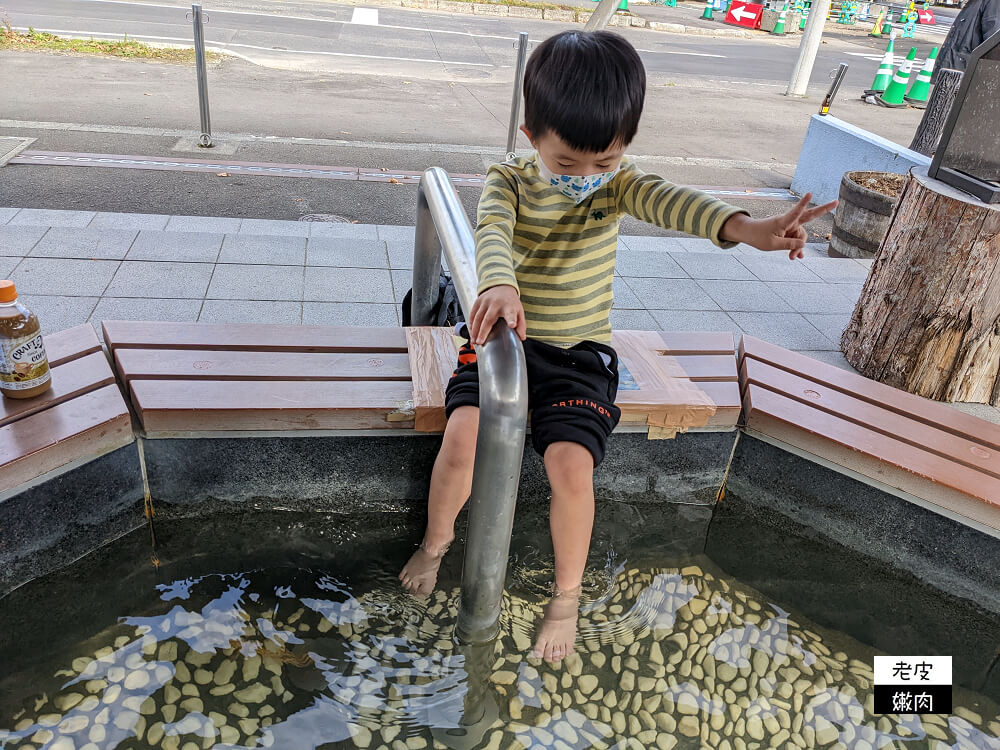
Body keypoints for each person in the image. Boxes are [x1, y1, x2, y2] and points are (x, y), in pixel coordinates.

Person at [399, 30, 836, 663]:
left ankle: (566, 598)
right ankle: (435, 545)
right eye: (567, 164)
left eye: (603, 163)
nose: (587, 179)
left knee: (572, 472)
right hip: (504, 341)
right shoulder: (510, 181)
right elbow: (490, 229)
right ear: (531, 139)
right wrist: (499, 281)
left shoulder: (620, 183)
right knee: (462, 437)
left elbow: (677, 203)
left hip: (579, 357)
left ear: (622, 148)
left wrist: (749, 229)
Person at [935, 0, 1000, 80]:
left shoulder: (993, 3)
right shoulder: (974, 3)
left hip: (966, 75)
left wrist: (985, 81)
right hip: (953, 72)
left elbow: (993, 45)